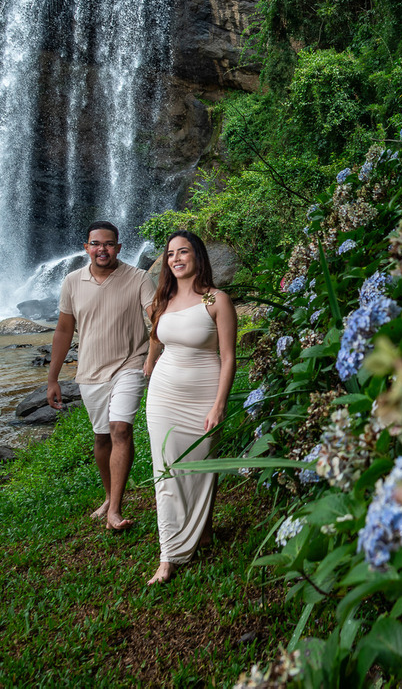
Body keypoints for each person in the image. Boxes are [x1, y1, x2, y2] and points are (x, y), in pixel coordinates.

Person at [47, 220, 156, 531]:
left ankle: (115, 510)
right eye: (96, 244)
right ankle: (109, 496)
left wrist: (155, 354)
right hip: (91, 371)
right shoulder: (72, 282)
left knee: (121, 428)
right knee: (102, 436)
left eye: (108, 244)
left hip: (130, 363)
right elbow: (64, 330)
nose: (102, 249)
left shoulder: (138, 278)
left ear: (119, 247)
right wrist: (53, 378)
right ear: (86, 247)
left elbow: (156, 316)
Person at [142, 230, 236, 585]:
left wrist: (219, 405)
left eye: (183, 252)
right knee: (166, 471)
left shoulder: (216, 300)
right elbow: (157, 337)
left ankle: (204, 531)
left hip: (203, 396)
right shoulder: (162, 300)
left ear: (197, 256)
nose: (175, 259)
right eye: (170, 254)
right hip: (163, 397)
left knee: (201, 469)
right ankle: (168, 556)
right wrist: (149, 361)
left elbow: (228, 358)